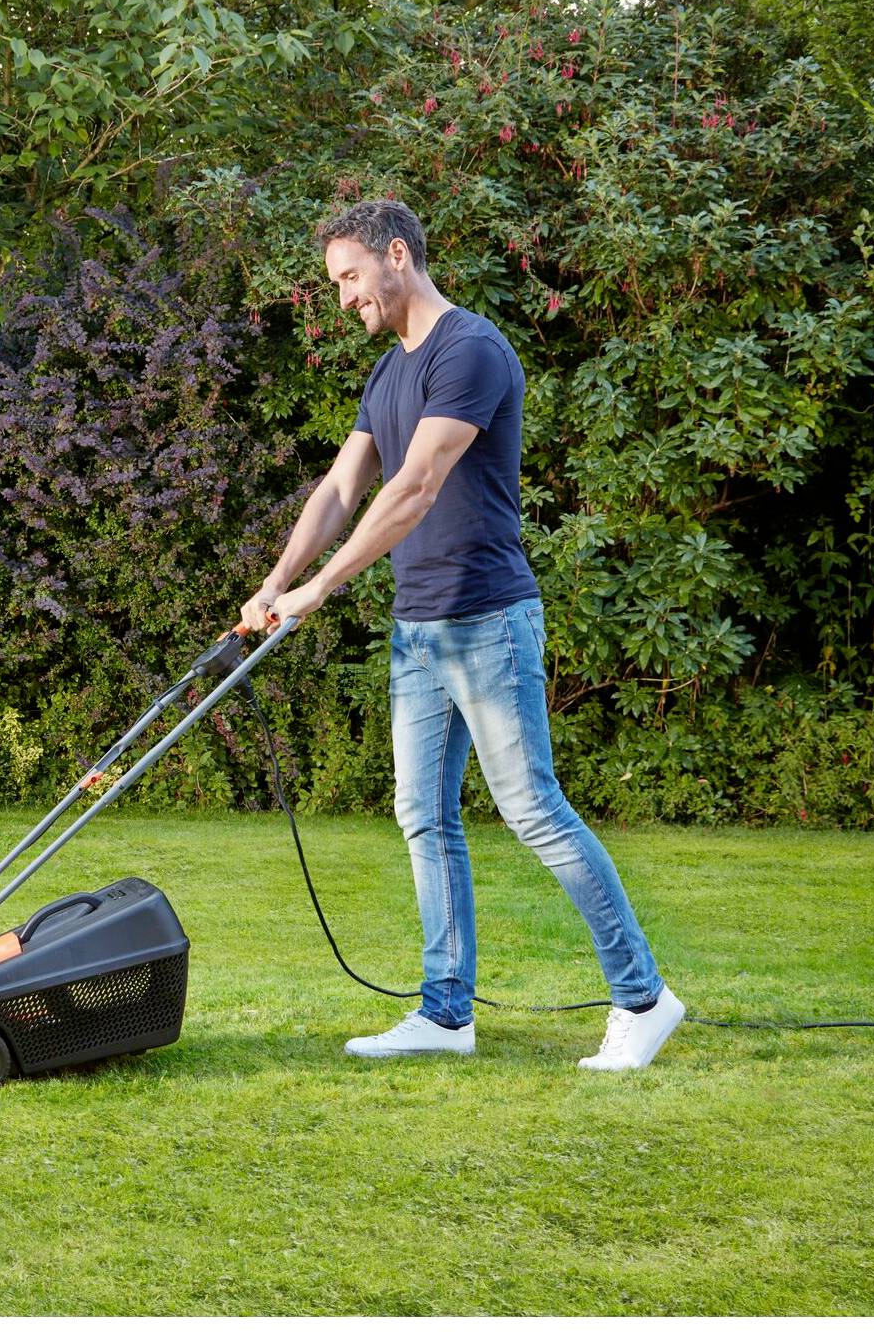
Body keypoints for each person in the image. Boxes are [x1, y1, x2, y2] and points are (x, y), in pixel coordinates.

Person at [240, 198, 685, 1071]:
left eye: (350, 278)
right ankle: (446, 1015)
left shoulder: (470, 350)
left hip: (487, 619)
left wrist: (323, 589)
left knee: (531, 810)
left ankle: (642, 997)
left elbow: (415, 487)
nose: (342, 300)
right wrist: (274, 584)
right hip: (418, 633)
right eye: (336, 283)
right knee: (423, 819)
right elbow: (339, 489)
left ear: (396, 256)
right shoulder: (388, 373)